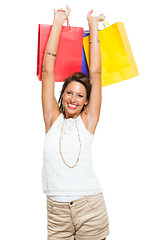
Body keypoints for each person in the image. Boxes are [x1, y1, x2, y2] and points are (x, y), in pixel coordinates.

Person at [41, 5, 109, 240]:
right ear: (63, 94)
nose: (73, 99)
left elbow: (96, 74)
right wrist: (58, 21)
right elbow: (47, 71)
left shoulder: (88, 121)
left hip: (90, 209)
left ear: (86, 101)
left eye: (80, 95)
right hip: (57, 214)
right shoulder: (52, 118)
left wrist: (93, 26)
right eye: (69, 93)